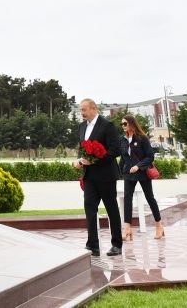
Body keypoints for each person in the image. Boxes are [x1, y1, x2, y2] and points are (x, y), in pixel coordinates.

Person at [73, 98, 123, 256]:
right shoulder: (82, 127)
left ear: (93, 108)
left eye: (84, 110)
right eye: (80, 110)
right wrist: (80, 161)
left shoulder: (107, 125)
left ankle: (117, 244)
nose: (81, 113)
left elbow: (116, 150)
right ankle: (92, 245)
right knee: (89, 209)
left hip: (106, 175)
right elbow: (83, 150)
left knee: (111, 209)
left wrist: (95, 159)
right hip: (89, 176)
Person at [119, 114, 164, 240]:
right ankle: (127, 228)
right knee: (127, 199)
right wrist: (119, 172)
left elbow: (150, 156)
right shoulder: (122, 139)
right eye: (122, 124)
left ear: (132, 124)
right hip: (128, 174)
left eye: (125, 123)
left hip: (142, 173)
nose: (123, 126)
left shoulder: (142, 138)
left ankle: (159, 225)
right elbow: (123, 158)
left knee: (150, 198)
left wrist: (138, 166)